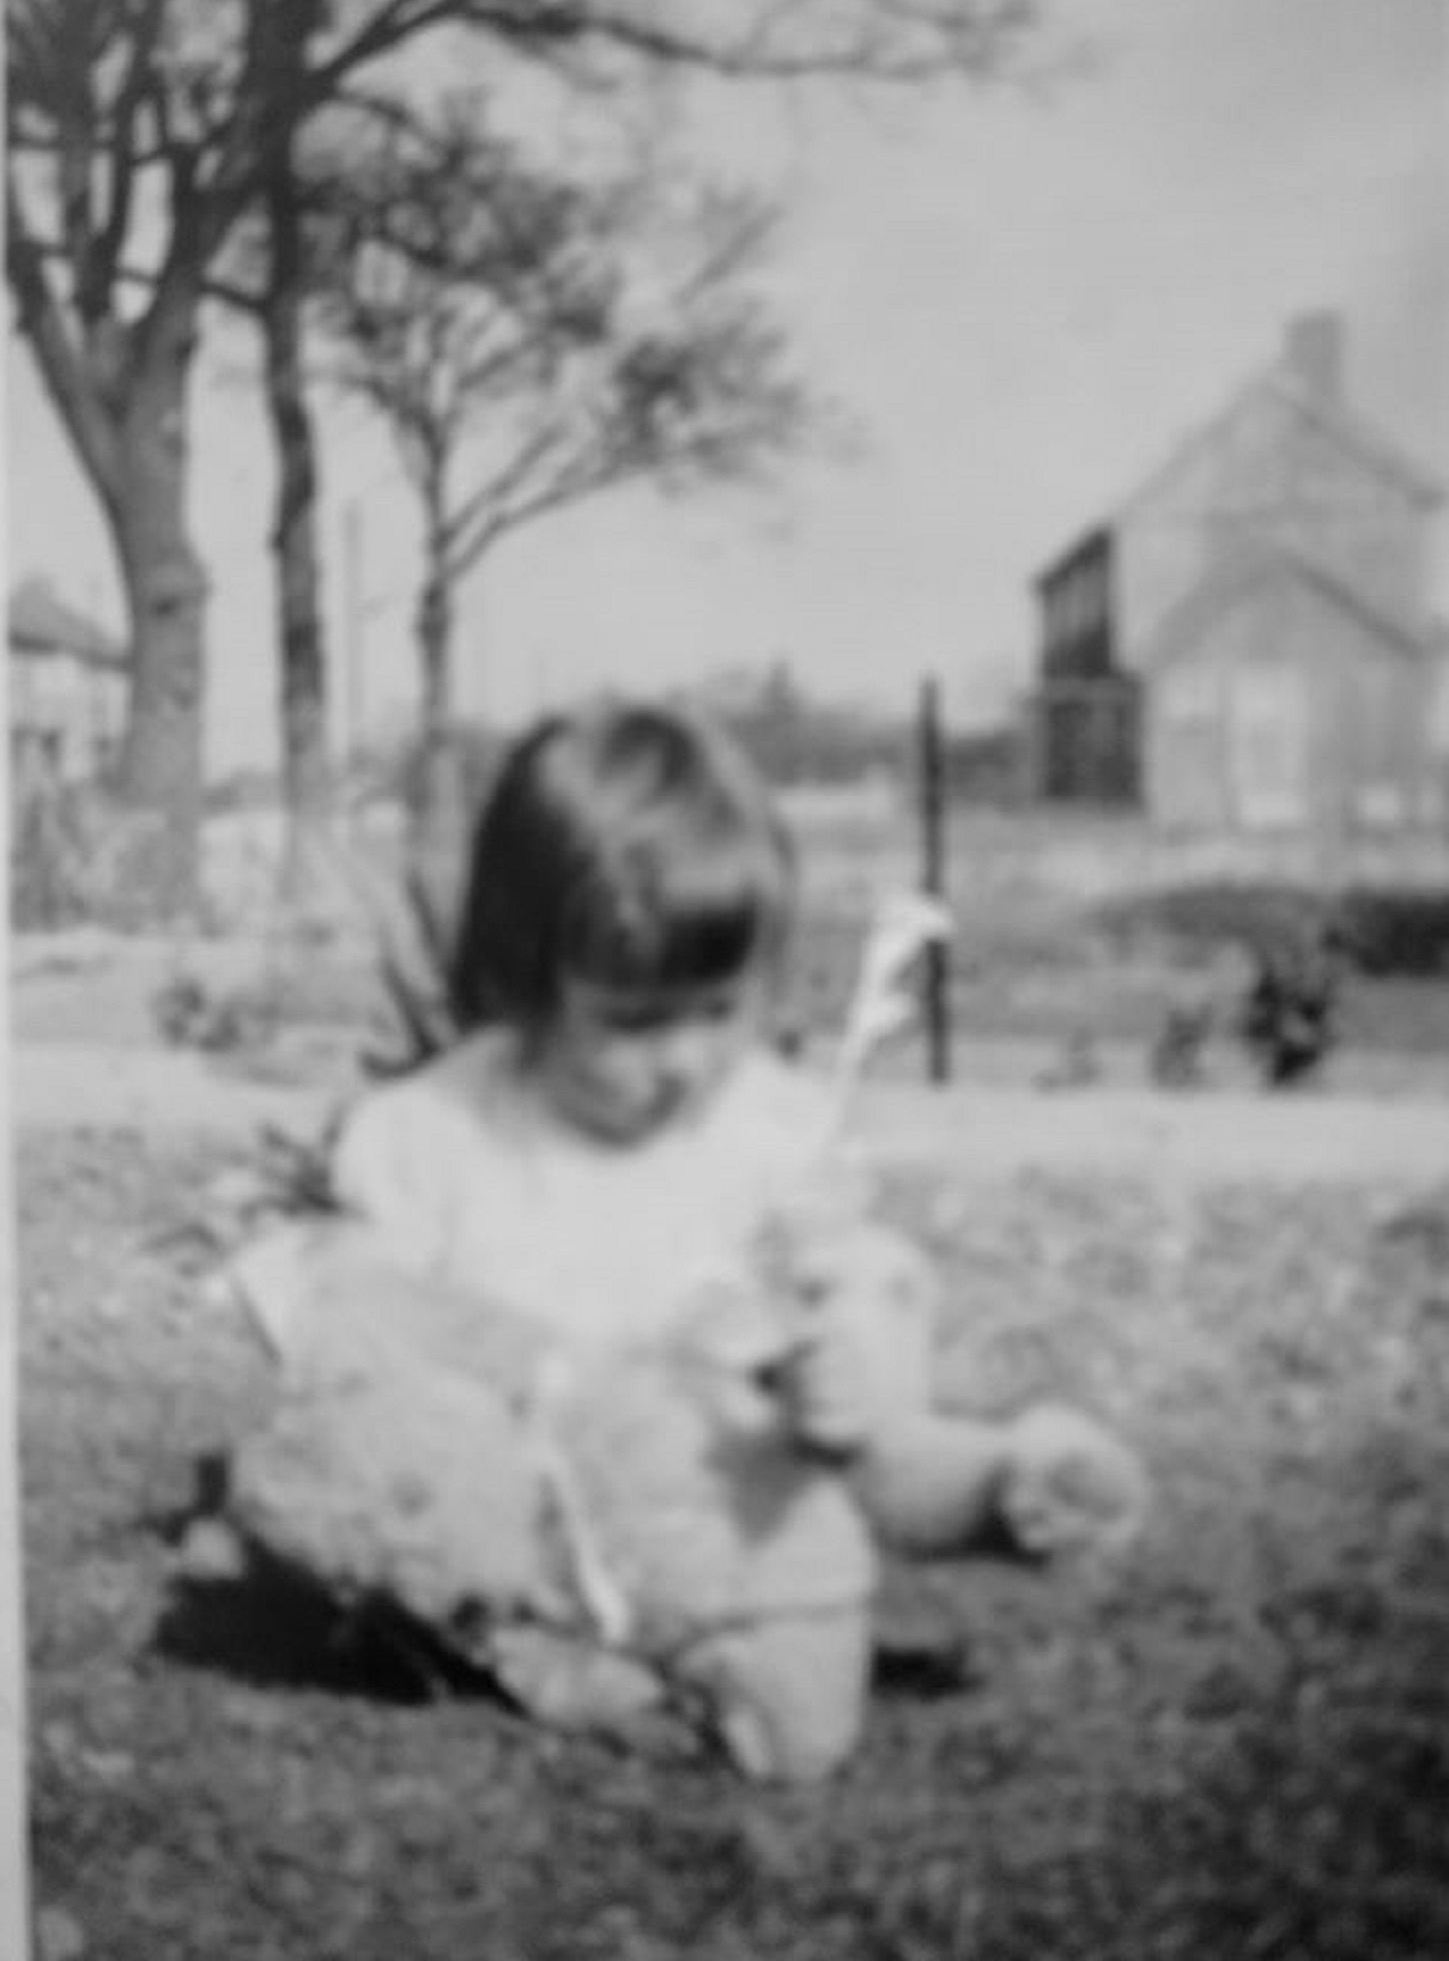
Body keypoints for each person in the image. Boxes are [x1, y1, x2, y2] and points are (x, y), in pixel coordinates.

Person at [215, 696, 1147, 1779]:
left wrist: (837, 1367)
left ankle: (996, 1486)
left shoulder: (760, 1127)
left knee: (865, 1330)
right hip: (541, 1489)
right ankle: (561, 1650)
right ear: (526, 975)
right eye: (633, 1021)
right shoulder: (442, 1130)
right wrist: (500, 1357)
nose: (685, 1061)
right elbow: (354, 1323)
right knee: (411, 1473)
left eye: (718, 1010)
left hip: (738, 1467)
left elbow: (830, 1282)